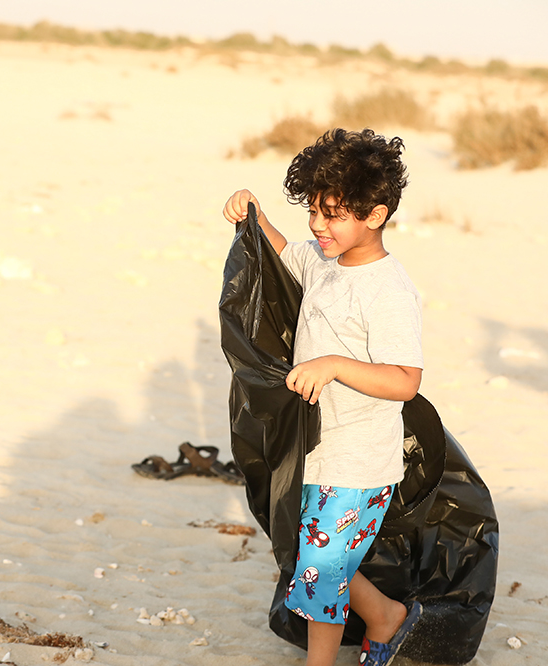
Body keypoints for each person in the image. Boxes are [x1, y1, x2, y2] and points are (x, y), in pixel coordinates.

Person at [222, 128, 424, 666]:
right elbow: (286, 256)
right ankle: (384, 614)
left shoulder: (388, 290)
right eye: (313, 208)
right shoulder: (323, 260)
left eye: (332, 214)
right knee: (316, 555)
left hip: (357, 459)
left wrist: (333, 365)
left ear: (374, 216)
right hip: (315, 447)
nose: (316, 224)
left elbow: (405, 379)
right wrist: (255, 215)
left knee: (317, 569)